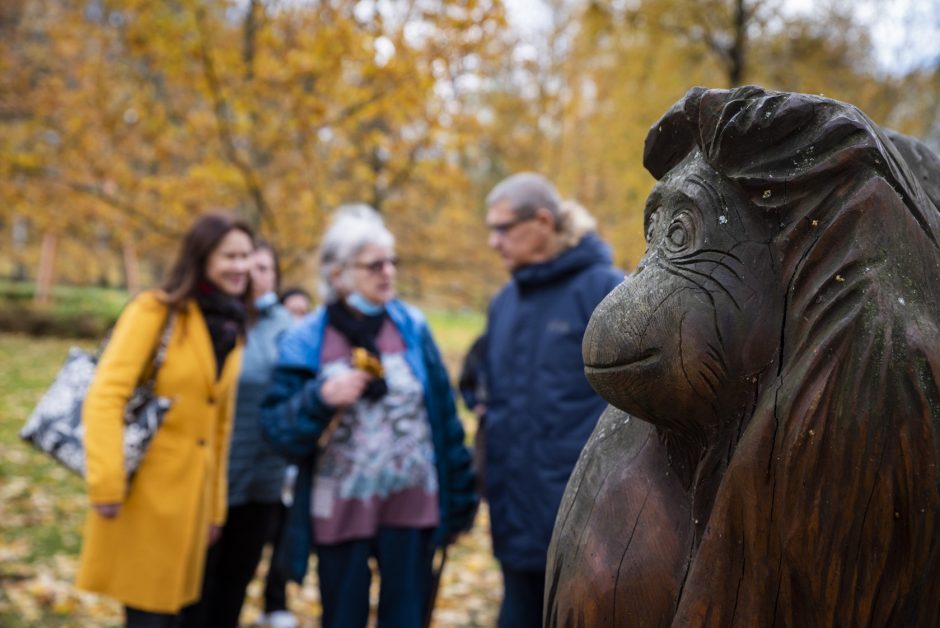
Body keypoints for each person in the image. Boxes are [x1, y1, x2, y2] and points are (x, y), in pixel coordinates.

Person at [261, 204, 478, 628]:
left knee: (407, 617)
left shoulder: (411, 326)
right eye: (374, 264)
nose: (387, 272)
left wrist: (460, 502)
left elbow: (445, 421)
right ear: (338, 274)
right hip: (339, 510)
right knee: (343, 617)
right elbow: (277, 430)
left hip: (412, 504)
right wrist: (320, 397)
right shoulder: (307, 337)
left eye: (391, 262)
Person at [77, 212, 253, 627]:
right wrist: (106, 482)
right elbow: (106, 395)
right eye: (231, 256)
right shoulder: (155, 310)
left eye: (246, 256)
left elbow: (220, 427)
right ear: (202, 256)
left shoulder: (233, 325)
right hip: (143, 497)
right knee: (149, 617)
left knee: (177, 616)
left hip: (192, 507)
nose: (241, 267)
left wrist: (215, 510)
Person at [480, 173, 623, 628]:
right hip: (513, 519)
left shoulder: (606, 290)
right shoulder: (504, 303)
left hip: (587, 524)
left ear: (543, 221)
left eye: (503, 228)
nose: (492, 241)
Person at [195, 242, 296, 628]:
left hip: (261, 480)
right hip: (210, 476)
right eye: (247, 266)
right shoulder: (212, 319)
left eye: (265, 268)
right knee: (196, 587)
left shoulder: (286, 328)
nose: (255, 275)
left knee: (234, 585)